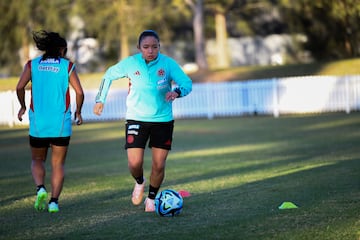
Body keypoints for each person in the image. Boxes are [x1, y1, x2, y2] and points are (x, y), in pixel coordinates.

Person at [93, 30, 192, 212]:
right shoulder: (130, 63)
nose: (150, 51)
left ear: (159, 47)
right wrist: (100, 99)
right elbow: (108, 75)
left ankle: (152, 198)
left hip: (163, 120)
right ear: (139, 48)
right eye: (146, 47)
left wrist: (176, 92)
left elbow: (187, 83)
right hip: (136, 118)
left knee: (159, 164)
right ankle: (139, 182)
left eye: (154, 47)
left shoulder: (168, 64)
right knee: (134, 163)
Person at [16, 30, 84, 213]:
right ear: (61, 49)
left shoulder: (32, 65)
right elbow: (79, 92)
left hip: (38, 123)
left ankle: (40, 188)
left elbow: (20, 86)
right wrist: (78, 112)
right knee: (58, 164)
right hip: (60, 124)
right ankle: (54, 202)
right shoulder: (67, 66)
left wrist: (22, 106)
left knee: (37, 160)